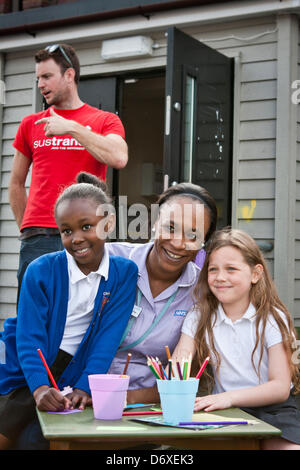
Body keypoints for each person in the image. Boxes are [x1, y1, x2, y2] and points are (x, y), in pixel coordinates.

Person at [0, 172, 138, 450]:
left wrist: (85, 387)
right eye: (66, 230)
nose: (76, 238)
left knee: (33, 442)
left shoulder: (124, 274)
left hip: (69, 375)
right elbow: (29, 338)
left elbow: (106, 341)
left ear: (108, 224)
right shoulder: (41, 270)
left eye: (86, 226)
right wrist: (38, 387)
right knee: (7, 430)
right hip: (24, 368)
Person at [8, 43, 128, 298]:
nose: (40, 83)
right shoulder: (30, 124)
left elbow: (118, 157)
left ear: (69, 75)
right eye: (38, 77)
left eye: (47, 76)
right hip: (38, 236)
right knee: (32, 316)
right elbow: (16, 183)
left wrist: (71, 128)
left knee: (82, 312)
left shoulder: (104, 120)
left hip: (85, 234)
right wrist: (26, 228)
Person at [172, 228, 300, 450]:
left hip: (275, 409)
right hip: (226, 412)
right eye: (213, 270)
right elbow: (179, 362)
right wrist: (177, 373)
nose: (221, 277)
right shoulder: (198, 315)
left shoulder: (272, 318)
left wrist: (229, 397)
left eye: (231, 269)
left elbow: (280, 387)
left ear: (255, 274)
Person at [107, 182, 218, 404]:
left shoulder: (203, 290)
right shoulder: (111, 260)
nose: (178, 243)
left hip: (150, 405)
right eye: (170, 227)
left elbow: (184, 374)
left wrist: (125, 398)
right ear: (155, 223)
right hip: (83, 391)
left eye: (193, 235)